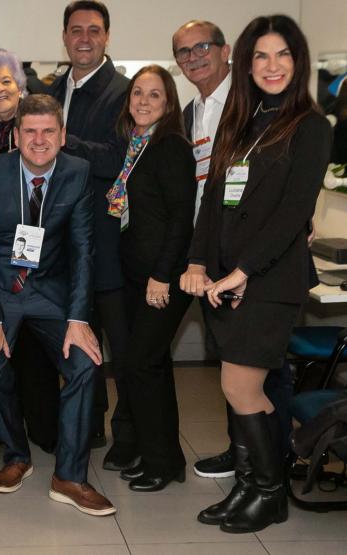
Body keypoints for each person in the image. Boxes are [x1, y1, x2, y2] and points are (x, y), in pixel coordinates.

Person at [180, 14, 332, 533]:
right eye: (261, 55)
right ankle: (250, 486)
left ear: (299, 60)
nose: (271, 66)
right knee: (238, 388)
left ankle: (270, 494)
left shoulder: (311, 127)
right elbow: (212, 206)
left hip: (269, 279)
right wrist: (199, 261)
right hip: (224, 279)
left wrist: (243, 270)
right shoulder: (240, 123)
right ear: (245, 63)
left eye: (283, 54)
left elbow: (293, 213)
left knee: (242, 387)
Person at [0, 93, 114, 516]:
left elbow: (84, 249)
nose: (39, 139)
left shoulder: (77, 171)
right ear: (15, 135)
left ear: (62, 135)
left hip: (51, 290)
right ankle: (16, 455)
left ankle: (69, 476)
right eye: (29, 131)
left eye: (48, 130)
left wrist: (78, 317)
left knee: (86, 364)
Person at [173, 19, 294, 481]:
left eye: (202, 46)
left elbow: (287, 184)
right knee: (232, 363)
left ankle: (274, 464)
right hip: (213, 249)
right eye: (183, 51)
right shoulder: (190, 113)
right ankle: (243, 452)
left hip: (258, 258)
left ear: (226, 51)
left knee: (265, 370)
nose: (194, 57)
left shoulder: (256, 106)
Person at [43, 0, 131, 463]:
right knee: (80, 340)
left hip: (108, 240)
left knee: (122, 345)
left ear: (107, 37)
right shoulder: (53, 90)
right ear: (64, 36)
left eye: (93, 30)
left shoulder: (124, 92)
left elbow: (118, 160)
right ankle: (90, 426)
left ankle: (129, 435)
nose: (84, 38)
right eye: (75, 30)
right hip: (60, 241)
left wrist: (62, 141)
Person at [110, 65, 195, 492]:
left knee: (141, 365)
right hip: (135, 275)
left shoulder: (171, 147)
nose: (143, 101)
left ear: (169, 103)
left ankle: (160, 461)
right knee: (153, 367)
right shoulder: (136, 145)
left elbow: (182, 219)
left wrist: (162, 275)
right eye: (137, 93)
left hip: (162, 278)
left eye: (154, 95)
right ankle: (165, 457)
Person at [0, 47, 61, 453]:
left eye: (6, 81)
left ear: (20, 85)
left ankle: (43, 428)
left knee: (37, 357)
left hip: (42, 266)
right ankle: (4, 432)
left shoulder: (38, 126)